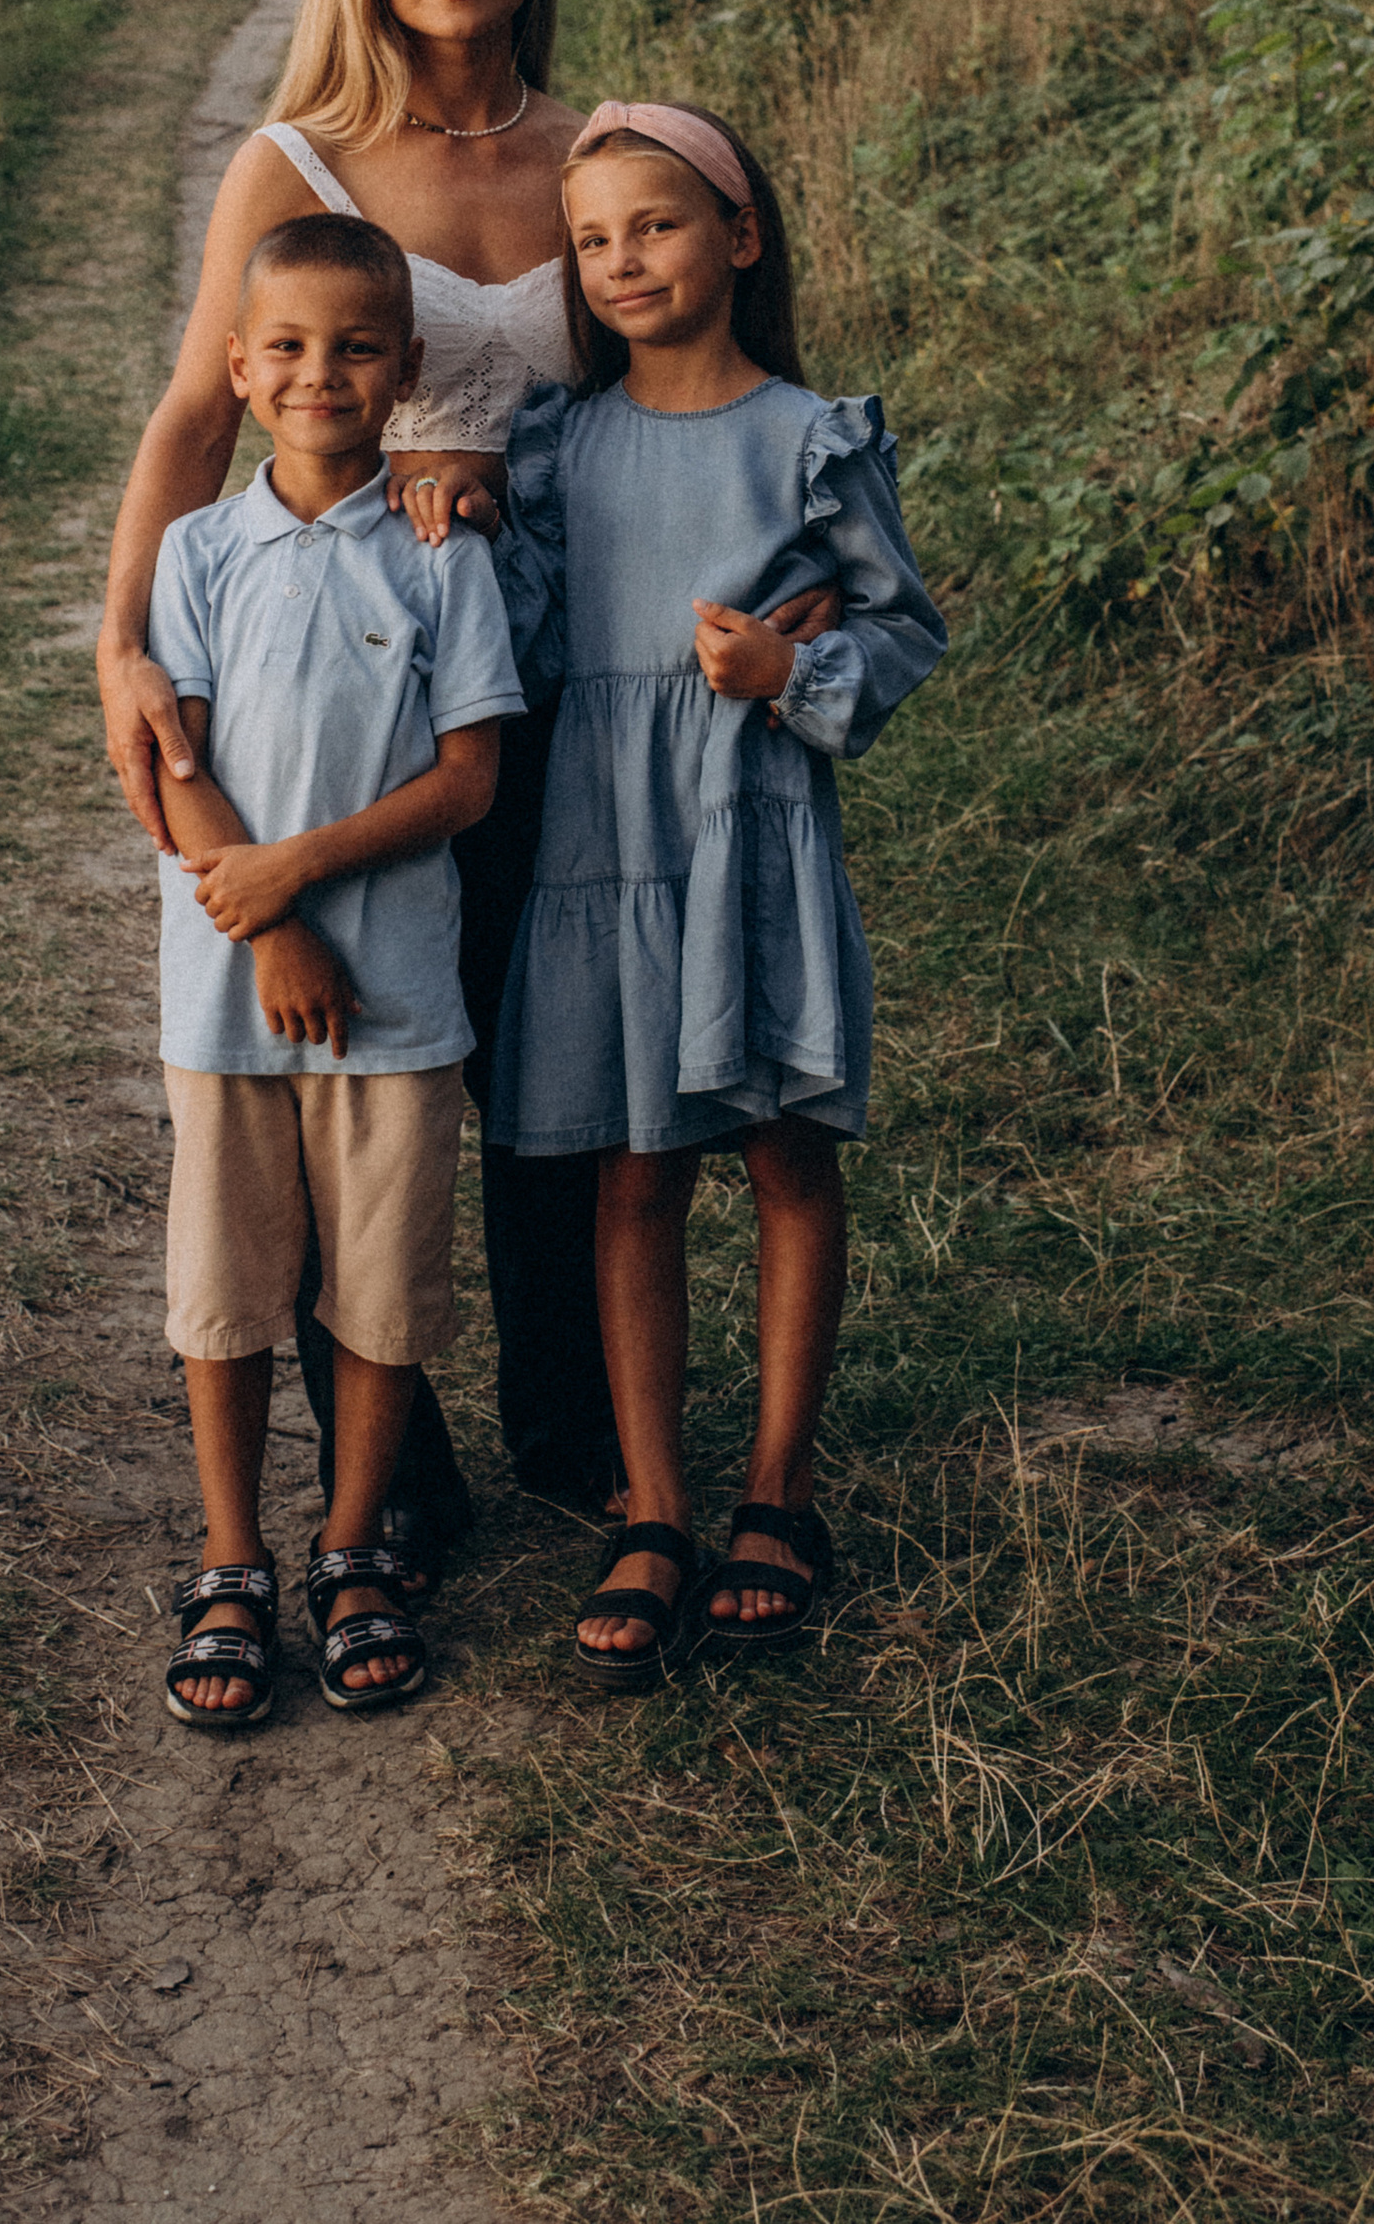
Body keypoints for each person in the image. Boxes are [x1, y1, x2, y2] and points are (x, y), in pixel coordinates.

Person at [99, 0, 610, 1549]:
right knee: (346, 1052)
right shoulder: (297, 162)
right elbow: (191, 413)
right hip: (354, 686)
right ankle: (389, 1487)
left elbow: (682, 379)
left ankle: (571, 1422)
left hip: (576, 671)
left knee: (549, 1066)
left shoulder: (600, 153)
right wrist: (120, 645)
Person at [481, 99, 946, 1690]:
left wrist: (788, 667)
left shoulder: (810, 437)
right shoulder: (563, 440)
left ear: (741, 237)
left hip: (749, 835)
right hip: (605, 846)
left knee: (785, 1156)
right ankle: (657, 1508)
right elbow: (529, 641)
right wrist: (449, 510)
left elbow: (899, 633)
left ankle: (779, 1494)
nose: (622, 261)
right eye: (593, 238)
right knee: (632, 1175)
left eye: (658, 225)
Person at [148, 210, 523, 1729]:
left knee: (377, 1289)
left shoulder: (442, 558)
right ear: (239, 370)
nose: (322, 374)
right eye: (288, 348)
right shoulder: (198, 551)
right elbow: (171, 762)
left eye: (357, 348)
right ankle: (233, 1557)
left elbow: (469, 779)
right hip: (227, 996)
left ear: (405, 371)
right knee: (228, 1288)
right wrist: (271, 921)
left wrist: (303, 872)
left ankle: (354, 1545)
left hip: (399, 1000)